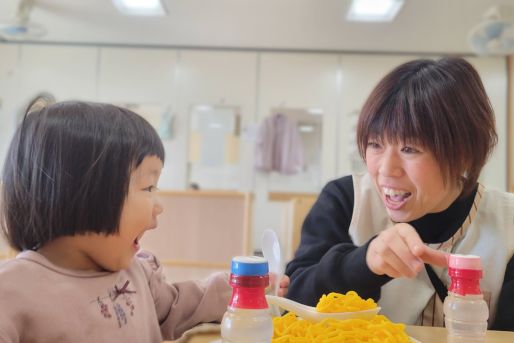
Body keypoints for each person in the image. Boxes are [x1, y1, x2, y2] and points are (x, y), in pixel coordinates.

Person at [0, 100, 289, 342]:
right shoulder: (12, 293)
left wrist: (244, 288)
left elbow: (181, 305)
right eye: (149, 187)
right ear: (86, 192)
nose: (159, 205)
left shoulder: (137, 274)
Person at [285, 57, 514, 330]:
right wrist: (364, 263)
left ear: (463, 153)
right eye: (375, 144)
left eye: (410, 149)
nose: (385, 169)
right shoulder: (346, 200)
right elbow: (294, 302)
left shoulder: (507, 224)